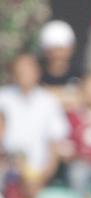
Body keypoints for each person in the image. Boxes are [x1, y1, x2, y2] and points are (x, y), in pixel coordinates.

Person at [0, 53, 70, 187]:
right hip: (6, 170)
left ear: (37, 72)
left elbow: (56, 141)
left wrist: (45, 174)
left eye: (28, 70)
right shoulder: (2, 97)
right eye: (20, 70)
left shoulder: (49, 101)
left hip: (39, 172)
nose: (24, 74)